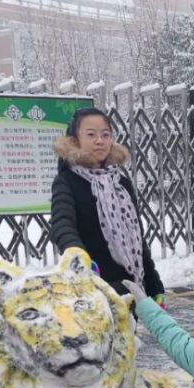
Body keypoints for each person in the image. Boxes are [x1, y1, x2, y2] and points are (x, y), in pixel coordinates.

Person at [51, 107, 165, 304]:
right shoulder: (67, 181)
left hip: (130, 287)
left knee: (129, 335)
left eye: (106, 134)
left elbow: (136, 236)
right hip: (92, 288)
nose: (99, 141)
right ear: (75, 140)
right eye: (91, 134)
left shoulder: (121, 182)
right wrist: (79, 259)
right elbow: (62, 224)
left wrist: (154, 283)